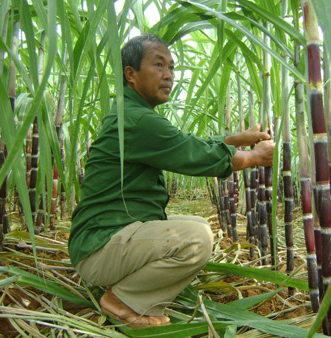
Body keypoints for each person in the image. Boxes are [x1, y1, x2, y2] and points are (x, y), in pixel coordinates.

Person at [68, 34, 275, 328]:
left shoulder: (133, 116)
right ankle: (121, 301)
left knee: (200, 227)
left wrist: (235, 140)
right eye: (158, 65)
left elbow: (183, 144)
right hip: (99, 248)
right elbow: (195, 155)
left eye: (172, 68)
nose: (168, 75)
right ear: (131, 74)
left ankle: (125, 285)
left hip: (104, 240)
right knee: (195, 240)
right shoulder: (139, 121)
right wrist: (254, 157)